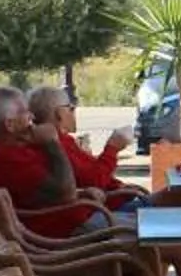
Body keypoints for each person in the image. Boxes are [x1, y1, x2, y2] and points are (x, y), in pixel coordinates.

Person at [0, 84, 99, 236]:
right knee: (134, 233)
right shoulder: (5, 158)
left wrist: (82, 192)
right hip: (64, 233)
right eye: (25, 113)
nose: (32, 117)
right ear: (9, 124)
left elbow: (40, 194)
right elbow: (66, 193)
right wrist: (52, 143)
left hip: (74, 221)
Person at [25, 86, 143, 218]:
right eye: (71, 108)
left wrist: (121, 187)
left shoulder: (63, 140)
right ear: (59, 113)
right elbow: (94, 181)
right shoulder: (56, 143)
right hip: (98, 212)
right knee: (165, 205)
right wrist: (112, 148)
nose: (74, 112)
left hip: (106, 205)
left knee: (165, 199)